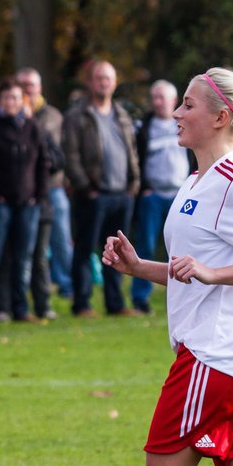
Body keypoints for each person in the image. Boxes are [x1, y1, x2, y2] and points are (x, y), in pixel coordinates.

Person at [101, 66, 233, 466]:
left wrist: (209, 273)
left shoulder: (230, 179)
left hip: (213, 354)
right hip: (208, 349)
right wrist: (139, 268)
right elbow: (191, 267)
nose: (177, 113)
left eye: (187, 105)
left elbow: (208, 272)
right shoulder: (196, 180)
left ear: (221, 116)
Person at [0, 78, 51, 323]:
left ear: (22, 101)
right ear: (0, 101)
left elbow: (43, 163)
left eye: (15, 98)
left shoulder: (32, 127)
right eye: (6, 98)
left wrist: (38, 195)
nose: (11, 102)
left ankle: (21, 308)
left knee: (24, 258)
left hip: (27, 204)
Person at [64, 59, 140, 317]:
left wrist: (134, 184)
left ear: (114, 82)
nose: (104, 83)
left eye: (108, 78)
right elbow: (70, 156)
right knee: (85, 249)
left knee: (117, 254)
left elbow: (132, 151)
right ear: (90, 82)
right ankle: (82, 304)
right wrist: (86, 187)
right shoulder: (77, 115)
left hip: (122, 194)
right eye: (99, 78)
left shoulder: (122, 115)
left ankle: (115, 304)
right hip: (92, 195)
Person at [131, 79, 194, 315]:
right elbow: (134, 159)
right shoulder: (143, 127)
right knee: (145, 245)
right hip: (153, 196)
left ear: (174, 101)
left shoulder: (186, 124)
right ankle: (140, 299)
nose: (158, 102)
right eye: (154, 97)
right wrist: (143, 187)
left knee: (183, 248)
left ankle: (184, 295)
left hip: (182, 195)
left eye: (162, 97)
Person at [17, 67, 72, 300]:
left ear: (39, 88)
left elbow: (60, 153)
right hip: (26, 191)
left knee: (61, 241)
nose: (28, 90)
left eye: (31, 85)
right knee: (32, 247)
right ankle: (33, 290)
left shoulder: (53, 116)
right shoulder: (12, 116)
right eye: (23, 85)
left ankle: (68, 287)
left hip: (53, 187)